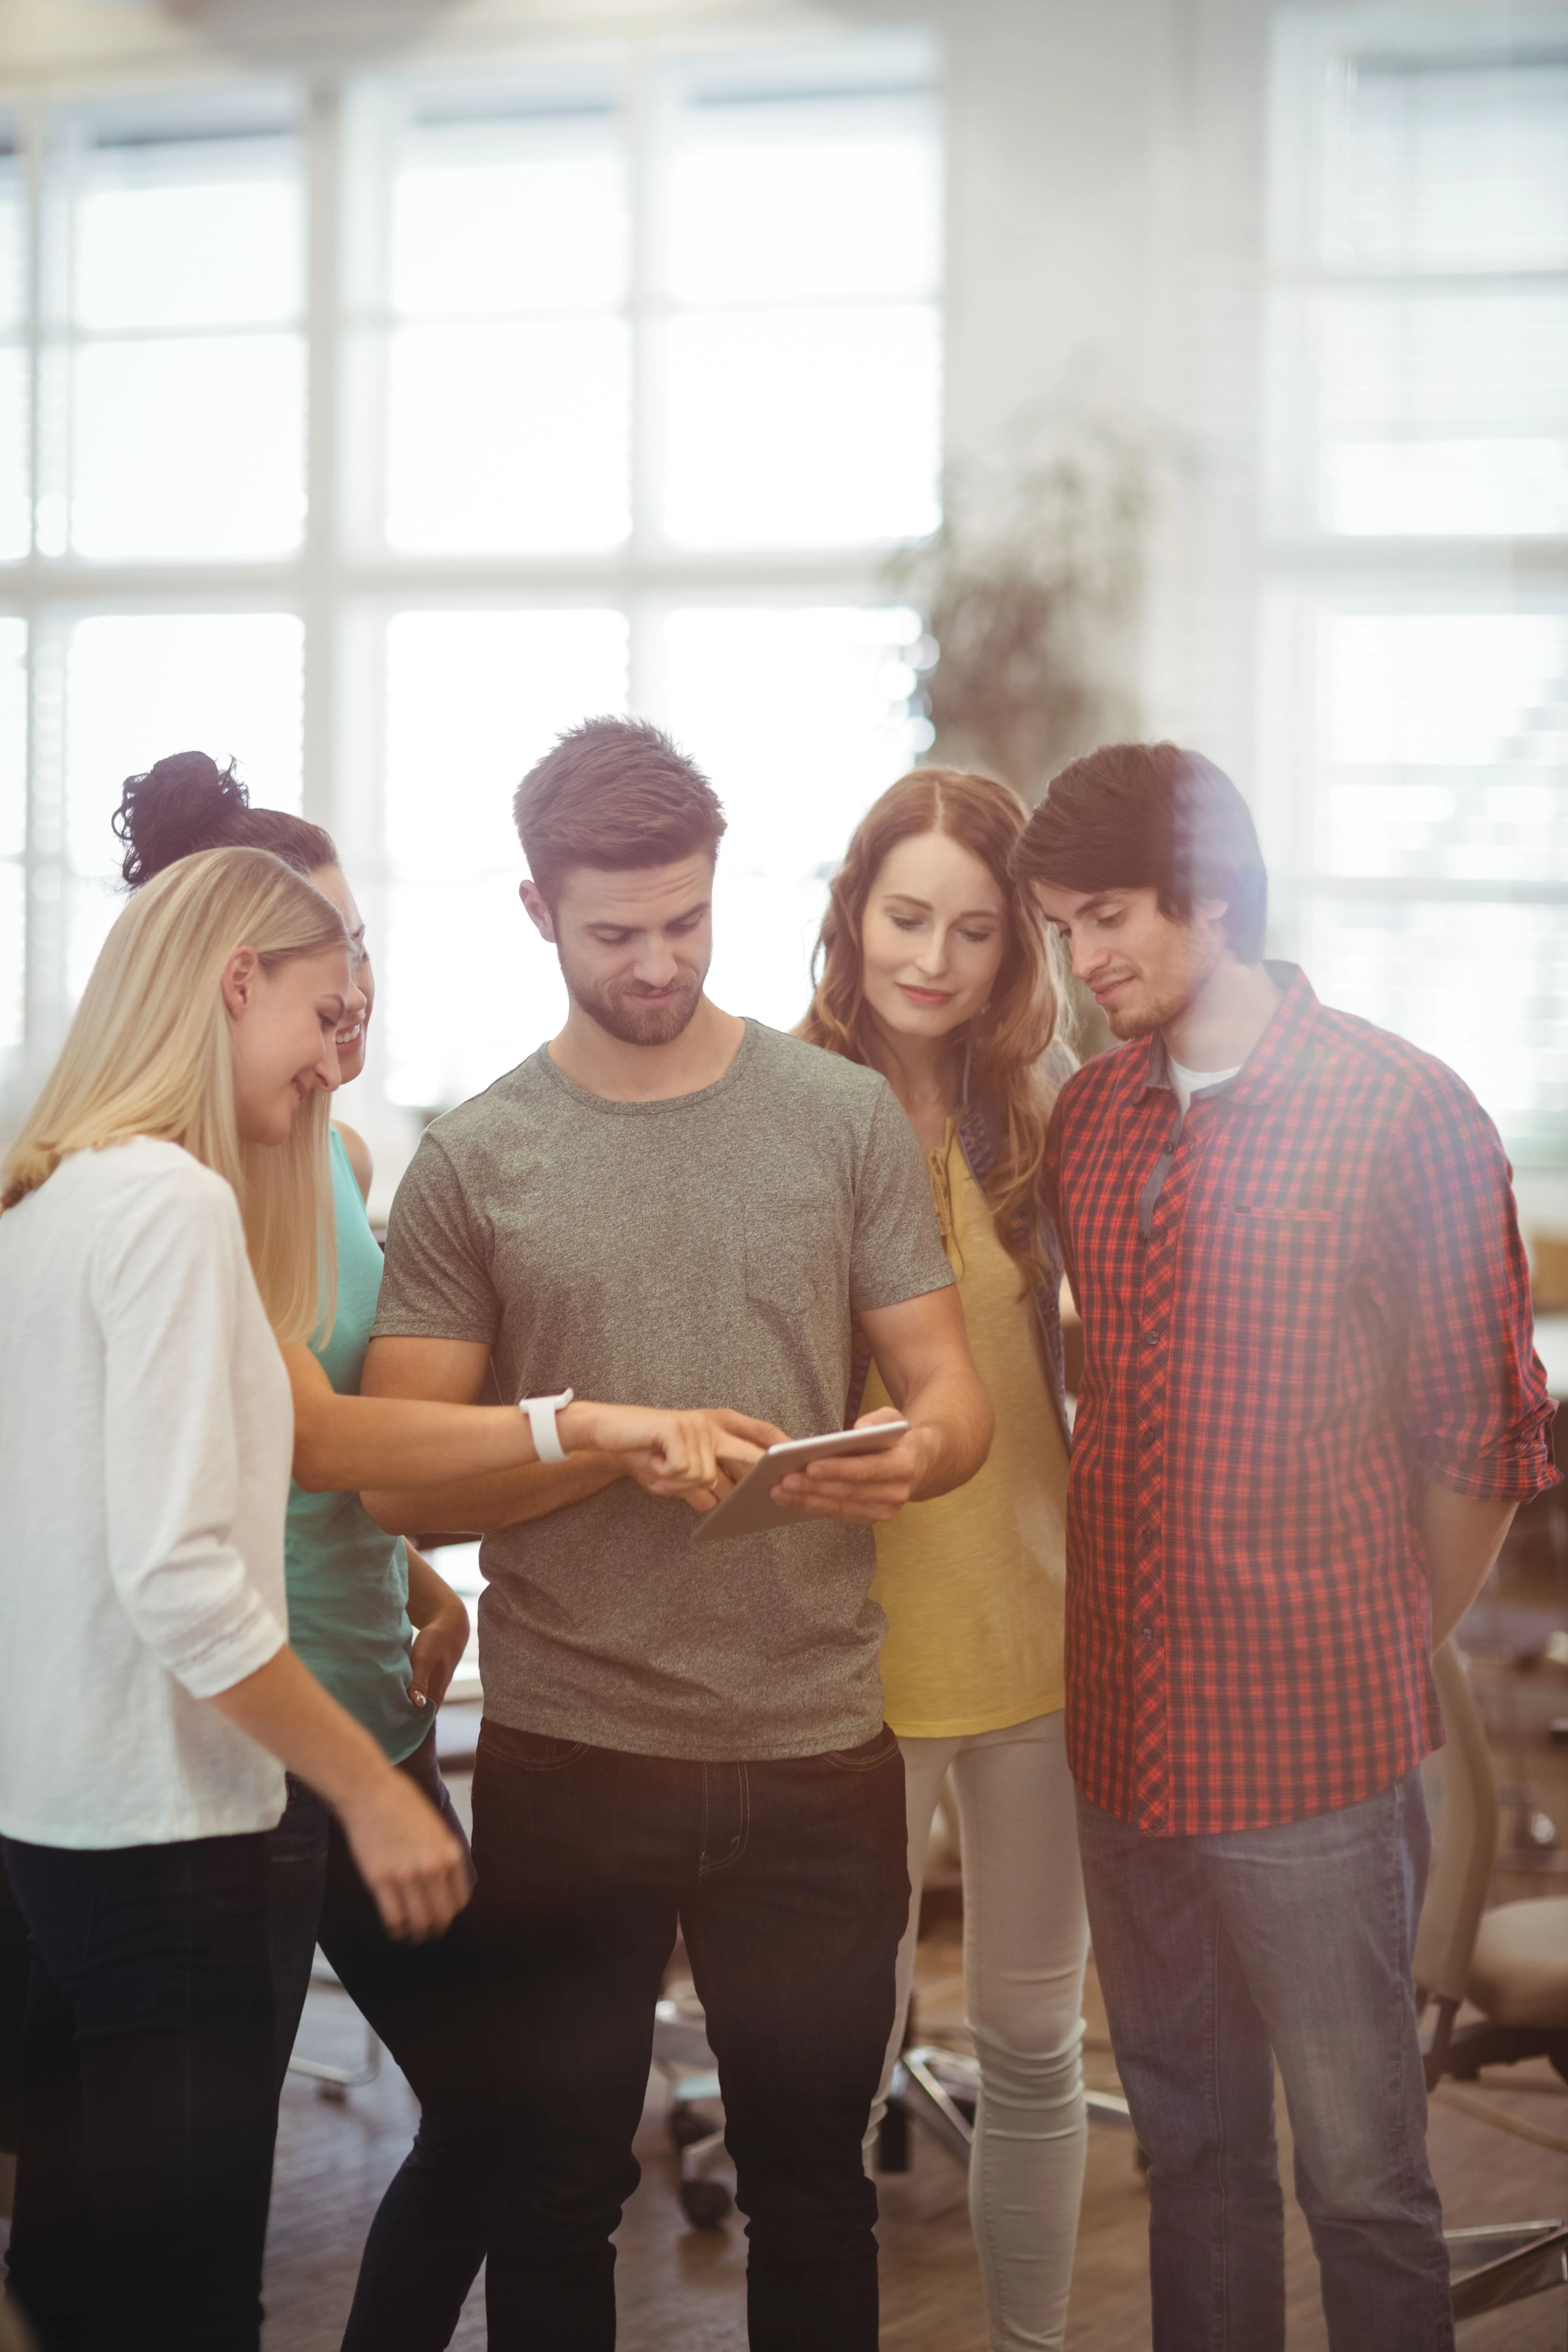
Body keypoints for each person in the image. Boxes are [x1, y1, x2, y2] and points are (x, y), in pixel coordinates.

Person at [359, 715, 995, 2352]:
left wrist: (906, 1461)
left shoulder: (837, 1118)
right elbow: (409, 1484)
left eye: (687, 922)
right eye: (615, 932)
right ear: (533, 910)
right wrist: (604, 1447)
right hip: (574, 1754)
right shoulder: (479, 1162)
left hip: (812, 1750)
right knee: (556, 2190)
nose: (657, 962)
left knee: (815, 2190)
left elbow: (950, 1396)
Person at [108, 751, 748, 2350]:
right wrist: (580, 1428)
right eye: (321, 946)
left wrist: (406, 1575)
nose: (355, 986)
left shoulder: (332, 1151)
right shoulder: (177, 1184)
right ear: (229, 965)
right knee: (210, 2215)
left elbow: (316, 1444)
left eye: (359, 939)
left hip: (369, 1716)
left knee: (518, 2108)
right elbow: (305, 1432)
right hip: (245, 1753)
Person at [1014, 741, 1559, 2352]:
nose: (1079, 961)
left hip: (1313, 1745)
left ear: (1213, 895)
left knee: (1361, 2179)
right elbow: (1095, 1396)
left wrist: (1378, 1636)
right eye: (1057, 929)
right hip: (1124, 1739)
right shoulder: (1090, 1124)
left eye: (1104, 917)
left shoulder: (1404, 1112)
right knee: (1188, 2161)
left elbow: (1483, 1451)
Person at [0, 848, 468, 2352]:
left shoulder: (47, 1201)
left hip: (53, 1837)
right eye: (324, 1019)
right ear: (235, 979)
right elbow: (184, 1578)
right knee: (192, 2308)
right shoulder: (174, 1209)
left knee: (81, 2290)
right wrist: (371, 1794)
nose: (337, 1064)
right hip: (177, 1846)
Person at [799, 768, 1087, 2352]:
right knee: (831, 2062)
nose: (933, 957)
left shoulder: (1034, 1115)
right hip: (848, 1659)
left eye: (972, 930)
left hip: (1035, 1636)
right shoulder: (776, 1107)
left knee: (1036, 2044)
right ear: (851, 917)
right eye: (905, 917)